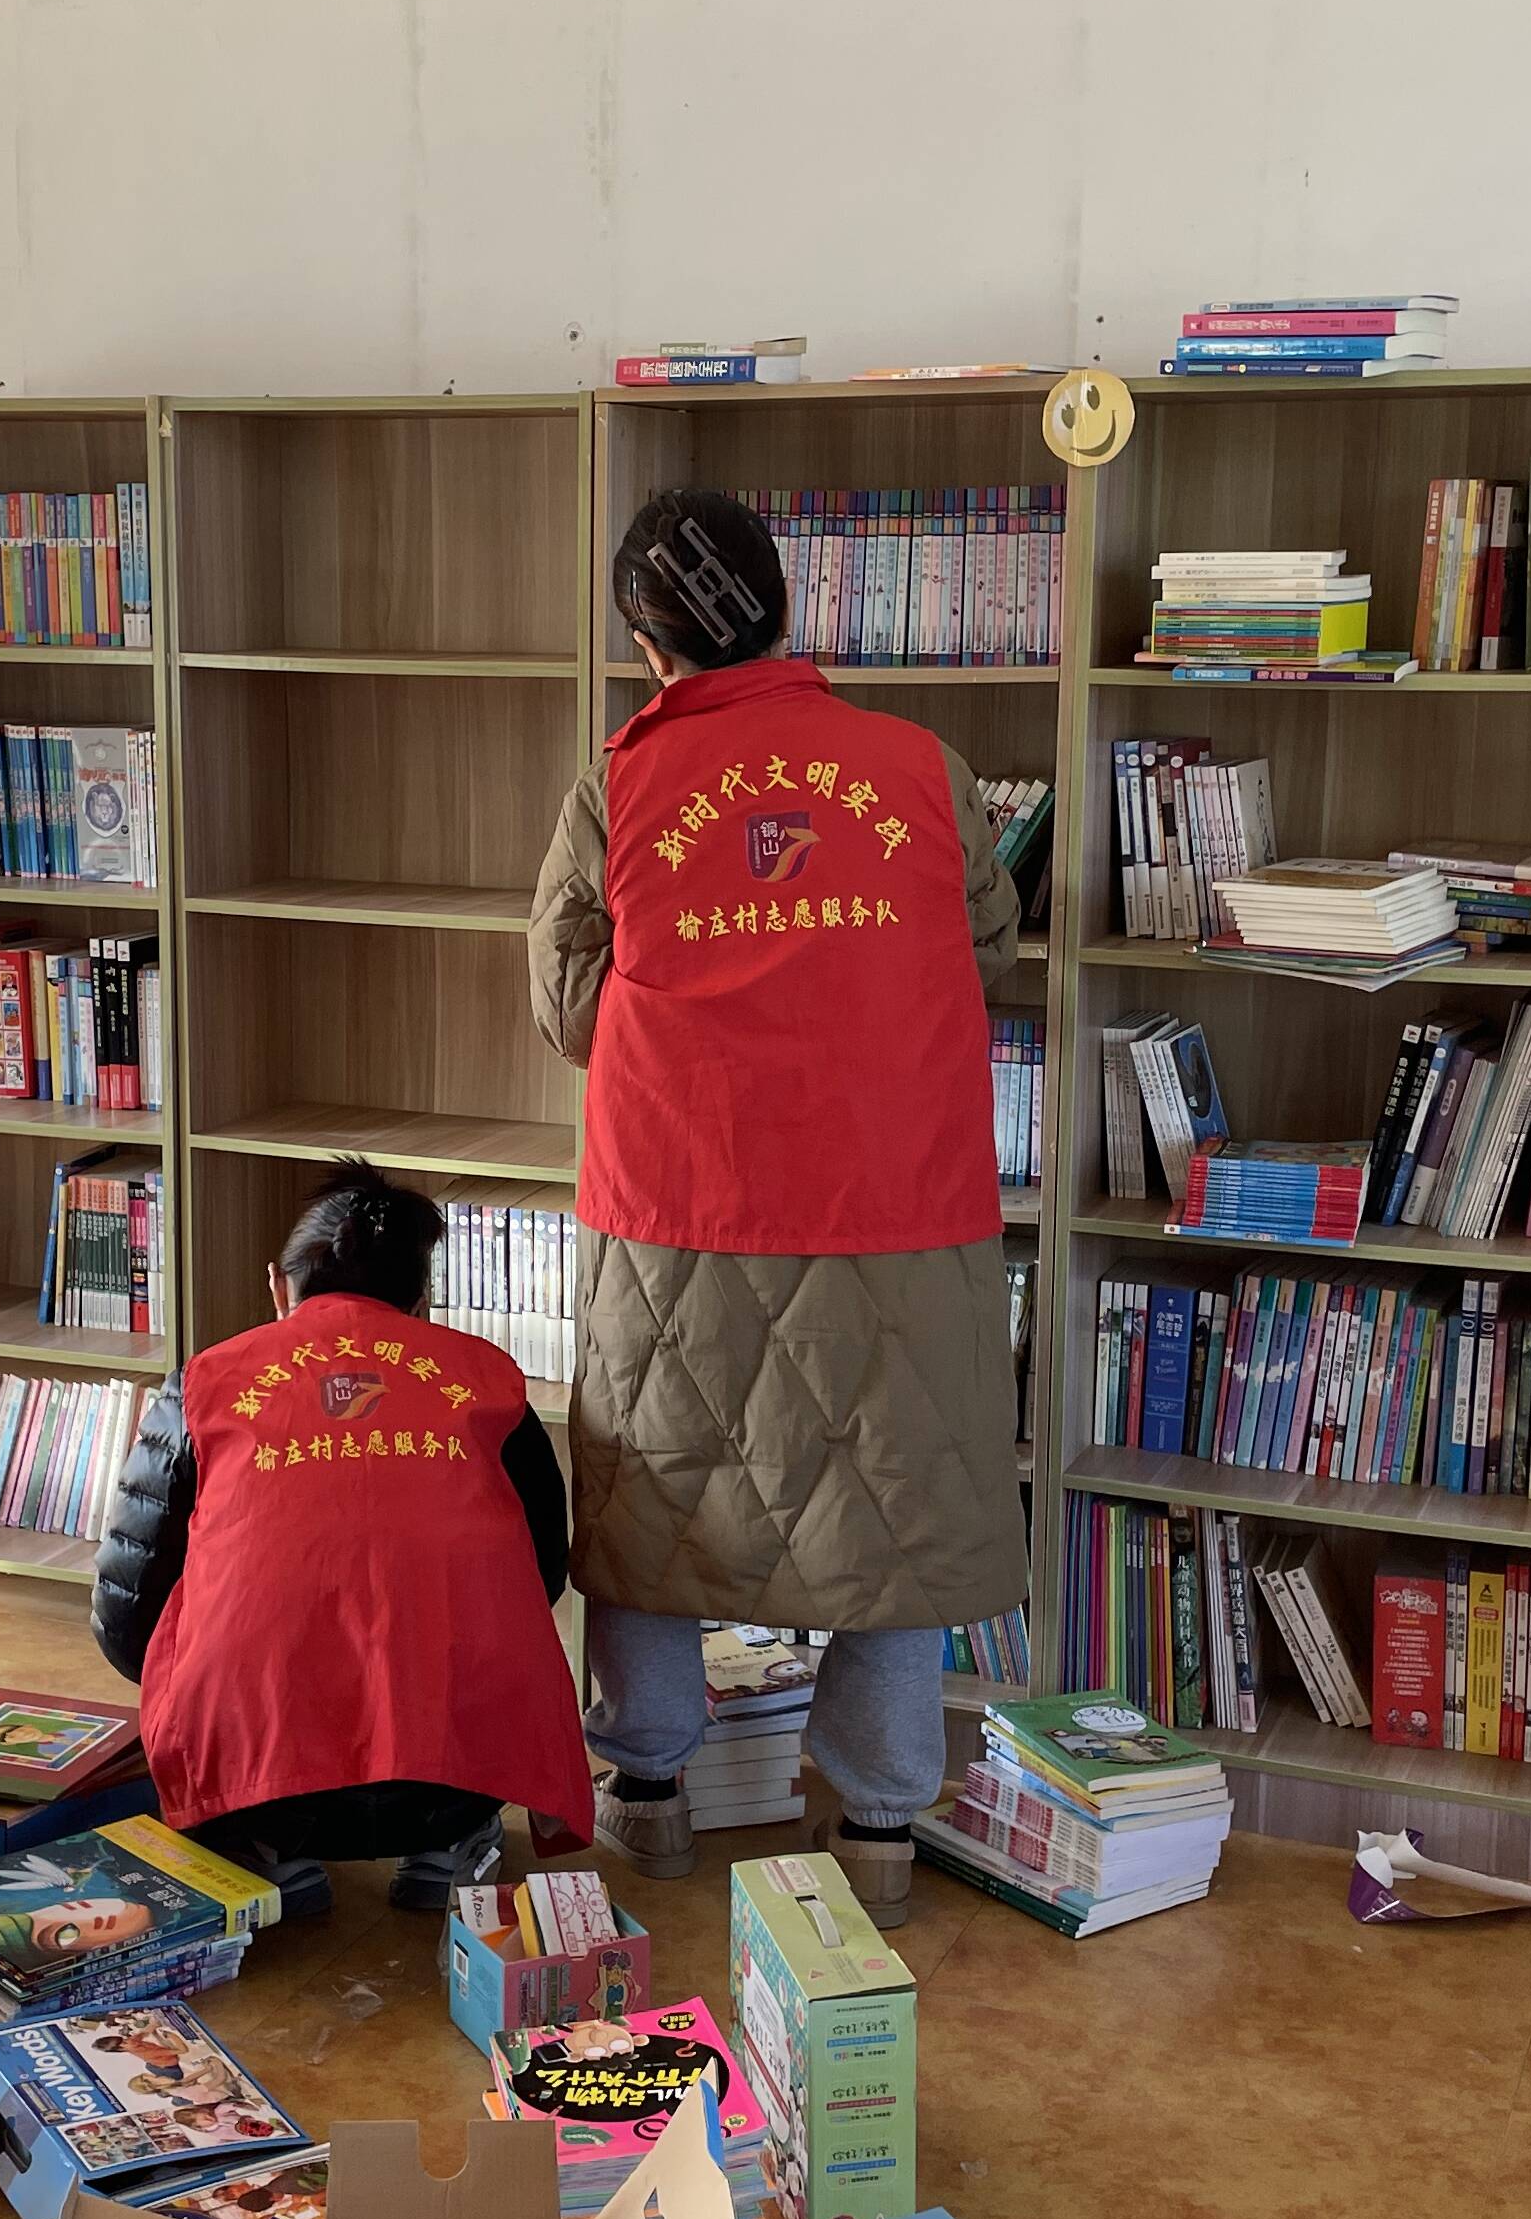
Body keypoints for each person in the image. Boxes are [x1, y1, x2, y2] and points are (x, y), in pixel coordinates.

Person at [531, 486, 1025, 1926]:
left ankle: (650, 1797)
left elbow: (570, 1005)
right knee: (897, 1515)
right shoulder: (923, 768)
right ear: (789, 608)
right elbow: (983, 950)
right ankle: (878, 1828)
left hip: (677, 1207)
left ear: (649, 644)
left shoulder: (619, 785)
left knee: (655, 1504)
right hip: (899, 1207)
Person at [90, 1162, 589, 1916]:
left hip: (263, 1776)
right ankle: (450, 1843)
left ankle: (266, 1852)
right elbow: (541, 1575)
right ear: (421, 1303)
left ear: (277, 1286)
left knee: (203, 1657)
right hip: (452, 1770)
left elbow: (127, 1612)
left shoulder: (202, 1383)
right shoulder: (491, 1380)